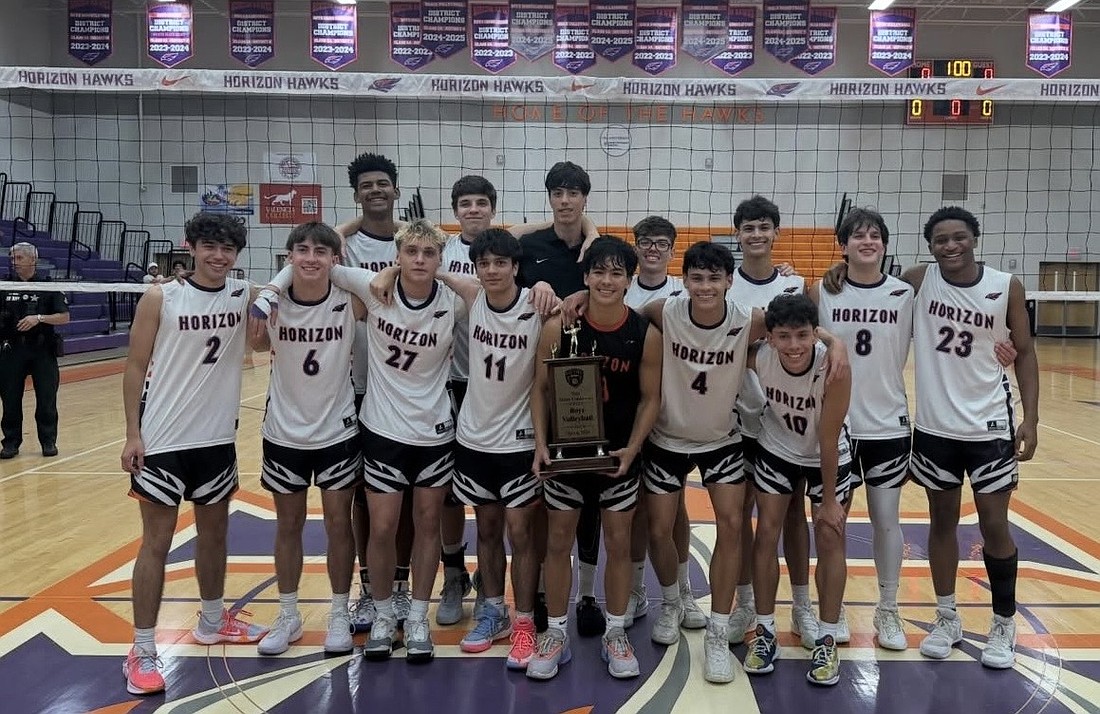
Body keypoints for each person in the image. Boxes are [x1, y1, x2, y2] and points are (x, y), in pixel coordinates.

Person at [120, 213, 268, 695]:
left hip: (216, 441)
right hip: (163, 441)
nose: (218, 256)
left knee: (214, 537)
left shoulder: (243, 295)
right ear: (192, 247)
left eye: (227, 249)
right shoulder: (160, 297)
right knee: (156, 545)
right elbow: (135, 366)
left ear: (237, 255)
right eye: (210, 247)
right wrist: (132, 434)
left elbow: (289, 288)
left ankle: (211, 619)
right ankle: (142, 648)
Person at [906, 206, 1038, 668]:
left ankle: (1003, 621)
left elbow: (1023, 353)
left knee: (993, 524)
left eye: (958, 237)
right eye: (940, 239)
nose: (950, 245)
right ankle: (947, 616)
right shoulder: (919, 281)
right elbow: (872, 291)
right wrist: (841, 269)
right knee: (941, 523)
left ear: (974, 238)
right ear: (930, 246)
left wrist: (1032, 419)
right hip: (935, 427)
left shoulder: (1006, 285)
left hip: (989, 426)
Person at [526, 236, 662, 681]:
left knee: (619, 545)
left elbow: (650, 399)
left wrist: (634, 449)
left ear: (628, 279)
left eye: (616, 272)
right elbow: (541, 390)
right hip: (567, 458)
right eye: (598, 272)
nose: (607, 280)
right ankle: (556, 633)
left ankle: (616, 631)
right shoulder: (559, 327)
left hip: (617, 460)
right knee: (558, 543)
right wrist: (542, 444)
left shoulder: (644, 333)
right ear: (585, 278)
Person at [638, 241, 761, 682]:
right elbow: (626, 313)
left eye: (715, 278)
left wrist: (828, 342)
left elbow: (796, 324)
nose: (705, 286)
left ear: (729, 281)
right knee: (658, 527)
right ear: (684, 280)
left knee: (732, 524)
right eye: (697, 278)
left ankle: (718, 628)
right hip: (666, 438)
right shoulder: (663, 311)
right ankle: (675, 600)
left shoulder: (748, 319)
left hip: (721, 439)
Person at [249, 222, 364, 657]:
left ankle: (338, 611)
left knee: (338, 525)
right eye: (302, 249)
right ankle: (289, 613)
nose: (311, 257)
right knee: (289, 526)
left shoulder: (350, 299)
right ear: (289, 256)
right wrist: (266, 300)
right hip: (283, 433)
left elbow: (385, 282)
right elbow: (256, 348)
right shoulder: (270, 303)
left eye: (321, 250)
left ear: (336, 259)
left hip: (337, 431)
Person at [445, 228, 552, 670]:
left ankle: (525, 621)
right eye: (484, 263)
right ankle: (493, 611)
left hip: (520, 441)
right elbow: (425, 264)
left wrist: (555, 291)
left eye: (500, 263)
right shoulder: (471, 295)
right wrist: (393, 267)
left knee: (522, 534)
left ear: (515, 266)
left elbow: (579, 305)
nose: (491, 270)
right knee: (487, 531)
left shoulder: (539, 304)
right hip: (474, 439)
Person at [513, 161, 608, 636]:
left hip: (592, 390)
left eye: (574, 193)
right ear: (549, 197)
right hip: (537, 380)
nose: (565, 200)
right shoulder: (528, 247)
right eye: (557, 192)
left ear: (585, 198)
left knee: (588, 497)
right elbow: (496, 238)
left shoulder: (600, 250)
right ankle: (544, 593)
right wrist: (536, 285)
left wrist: (592, 231)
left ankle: (588, 594)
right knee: (540, 499)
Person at [813, 208, 914, 651]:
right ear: (844, 245)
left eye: (875, 234)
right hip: (839, 425)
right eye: (858, 235)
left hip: (888, 425)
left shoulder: (905, 293)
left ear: (885, 244)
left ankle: (888, 610)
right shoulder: (821, 290)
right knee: (832, 525)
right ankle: (830, 615)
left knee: (886, 521)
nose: (867, 241)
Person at [742, 293, 852, 687]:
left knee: (829, 534)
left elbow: (827, 436)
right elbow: (738, 326)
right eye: (783, 336)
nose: (793, 346)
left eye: (802, 336)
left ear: (814, 337)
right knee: (766, 533)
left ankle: (826, 637)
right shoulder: (758, 355)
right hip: (777, 447)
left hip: (828, 453)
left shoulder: (834, 365)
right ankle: (765, 631)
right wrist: (829, 334)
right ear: (770, 337)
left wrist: (828, 499)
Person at [727, 195, 821, 649]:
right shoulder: (725, 288)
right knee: (745, 514)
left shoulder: (795, 284)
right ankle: (746, 600)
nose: (757, 235)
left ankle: (802, 606)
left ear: (776, 233)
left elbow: (812, 337)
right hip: (739, 418)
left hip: (787, 422)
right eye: (749, 228)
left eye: (765, 227)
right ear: (738, 234)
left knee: (793, 517)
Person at [334, 151, 412, 633]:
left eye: (384, 183)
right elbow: (304, 251)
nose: (376, 190)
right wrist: (340, 232)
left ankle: (401, 586)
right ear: (357, 193)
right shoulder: (342, 245)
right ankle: (369, 587)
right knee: (367, 496)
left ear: (396, 190)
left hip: (414, 385)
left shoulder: (415, 241)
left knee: (404, 497)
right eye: (367, 185)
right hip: (360, 384)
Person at [621, 216, 701, 634]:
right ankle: (635, 589)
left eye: (661, 244)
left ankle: (683, 590)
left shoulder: (684, 292)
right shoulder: (619, 285)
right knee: (633, 507)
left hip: (673, 414)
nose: (652, 249)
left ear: (672, 251)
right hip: (629, 412)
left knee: (676, 509)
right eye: (646, 242)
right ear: (635, 248)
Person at [435, 175, 497, 627]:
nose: (473, 209)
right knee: (449, 494)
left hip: (498, 391)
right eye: (465, 204)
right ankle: (454, 574)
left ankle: (493, 582)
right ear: (456, 211)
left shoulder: (507, 250)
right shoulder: (441, 251)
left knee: (494, 497)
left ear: (492, 209)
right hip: (451, 383)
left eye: (480, 203)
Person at [1, 241, 69, 459]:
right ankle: (11, 442)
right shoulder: (5, 285)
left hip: (42, 350)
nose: (14, 262)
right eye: (12, 258)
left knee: (47, 399)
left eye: (19, 258)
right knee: (10, 399)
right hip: (11, 350)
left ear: (33, 259)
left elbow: (64, 317)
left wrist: (38, 318)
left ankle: (48, 441)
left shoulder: (48, 287)